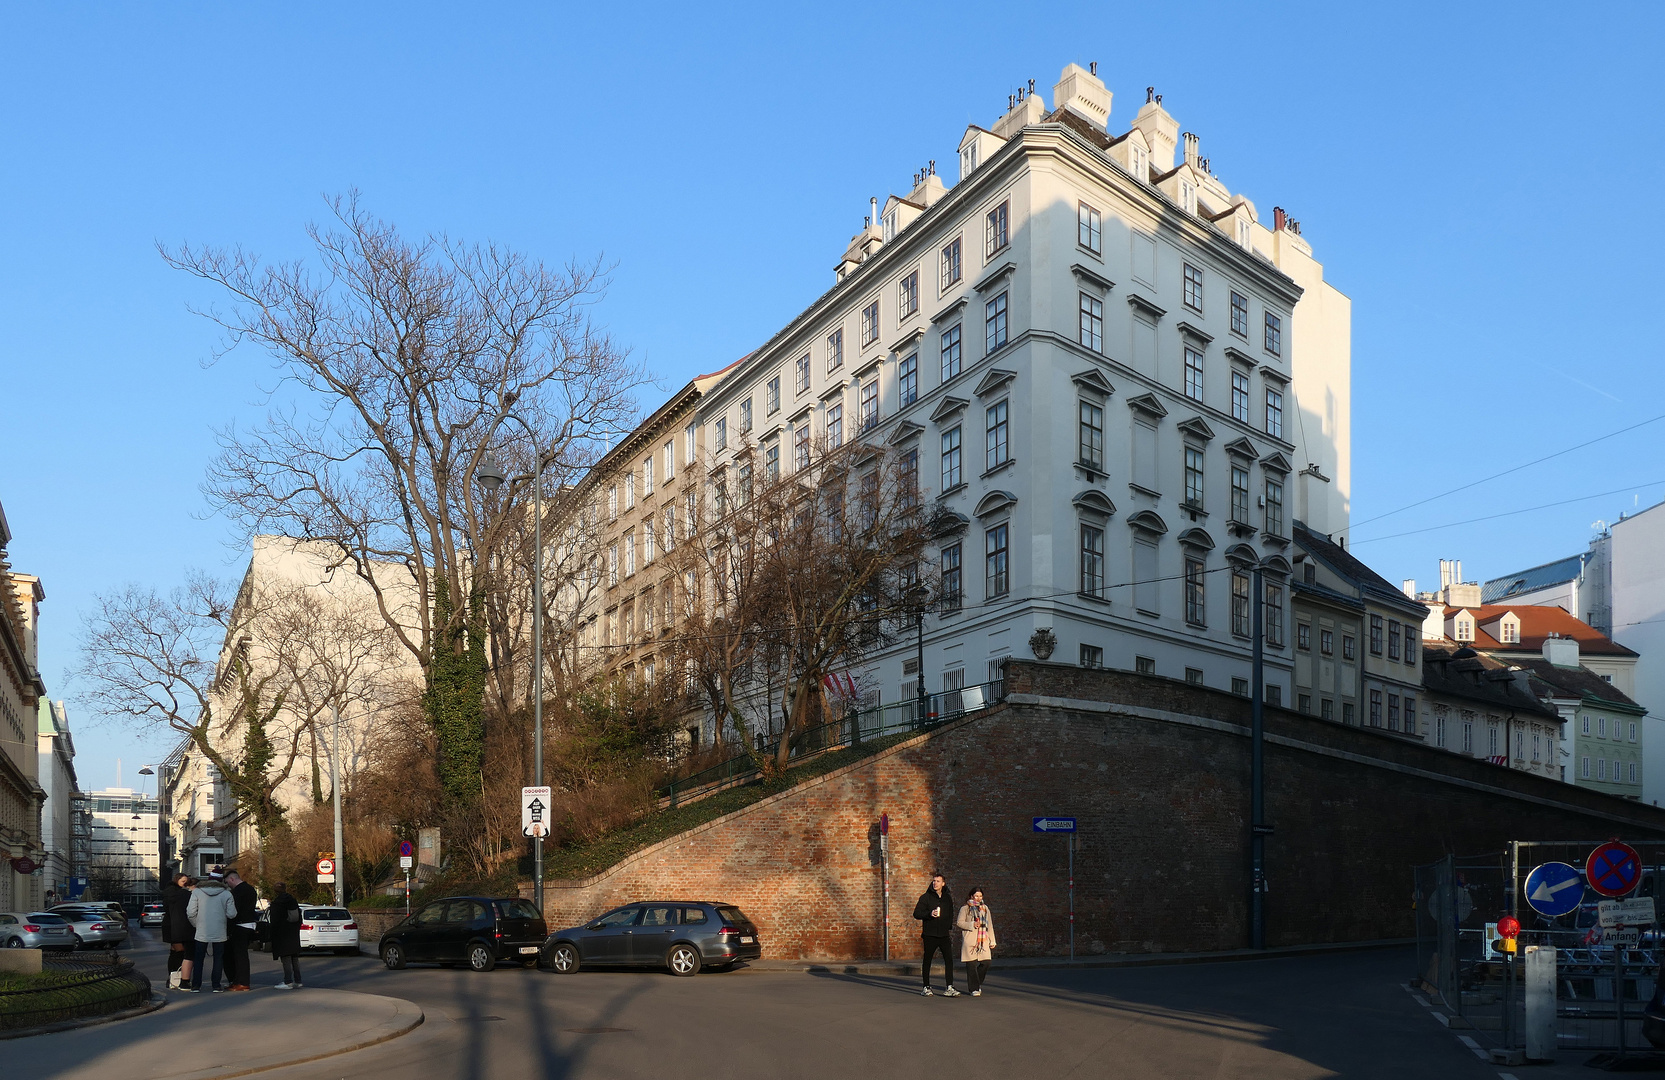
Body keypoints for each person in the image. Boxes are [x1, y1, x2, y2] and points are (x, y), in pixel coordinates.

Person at [186, 872, 237, 993]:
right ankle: (216, 985)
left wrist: (197, 924)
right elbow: (232, 914)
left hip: (201, 930)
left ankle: (196, 985)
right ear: (220, 881)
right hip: (219, 930)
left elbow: (190, 912)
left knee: (198, 958)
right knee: (218, 959)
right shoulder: (226, 893)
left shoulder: (197, 892)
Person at [912, 873, 959, 997]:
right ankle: (926, 987)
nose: (935, 883)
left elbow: (950, 913)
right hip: (930, 934)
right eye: (934, 881)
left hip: (943, 935)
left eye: (938, 881)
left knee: (949, 960)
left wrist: (948, 927)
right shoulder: (925, 897)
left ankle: (949, 987)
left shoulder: (947, 898)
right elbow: (916, 913)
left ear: (943, 883)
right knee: (927, 960)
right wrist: (929, 914)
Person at [955, 888, 997, 997]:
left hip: (983, 941)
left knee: (986, 963)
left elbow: (990, 925)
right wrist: (971, 924)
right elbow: (959, 923)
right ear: (971, 896)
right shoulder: (965, 908)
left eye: (980, 896)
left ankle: (976, 983)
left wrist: (992, 940)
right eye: (976, 896)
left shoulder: (985, 908)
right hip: (970, 940)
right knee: (971, 965)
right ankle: (973, 988)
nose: (978, 898)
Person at [223, 868, 259, 992]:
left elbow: (233, 912)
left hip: (239, 926)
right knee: (238, 955)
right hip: (249, 925)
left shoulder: (237, 892)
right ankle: (238, 981)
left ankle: (242, 982)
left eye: (228, 882)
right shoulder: (250, 889)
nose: (228, 885)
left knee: (239, 956)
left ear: (232, 879)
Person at [161, 873, 194, 989]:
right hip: (173, 925)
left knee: (175, 952)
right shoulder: (176, 893)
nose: (185, 883)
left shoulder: (172, 892)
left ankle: (173, 977)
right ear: (177, 881)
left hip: (172, 924)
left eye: (186, 881)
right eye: (183, 881)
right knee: (179, 951)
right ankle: (175, 977)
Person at [268, 882, 303, 989]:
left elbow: (274, 921)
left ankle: (288, 981)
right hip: (293, 934)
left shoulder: (277, 903)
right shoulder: (293, 901)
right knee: (294, 958)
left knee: (286, 958)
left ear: (275, 891)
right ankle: (298, 981)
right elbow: (299, 918)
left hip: (282, 935)